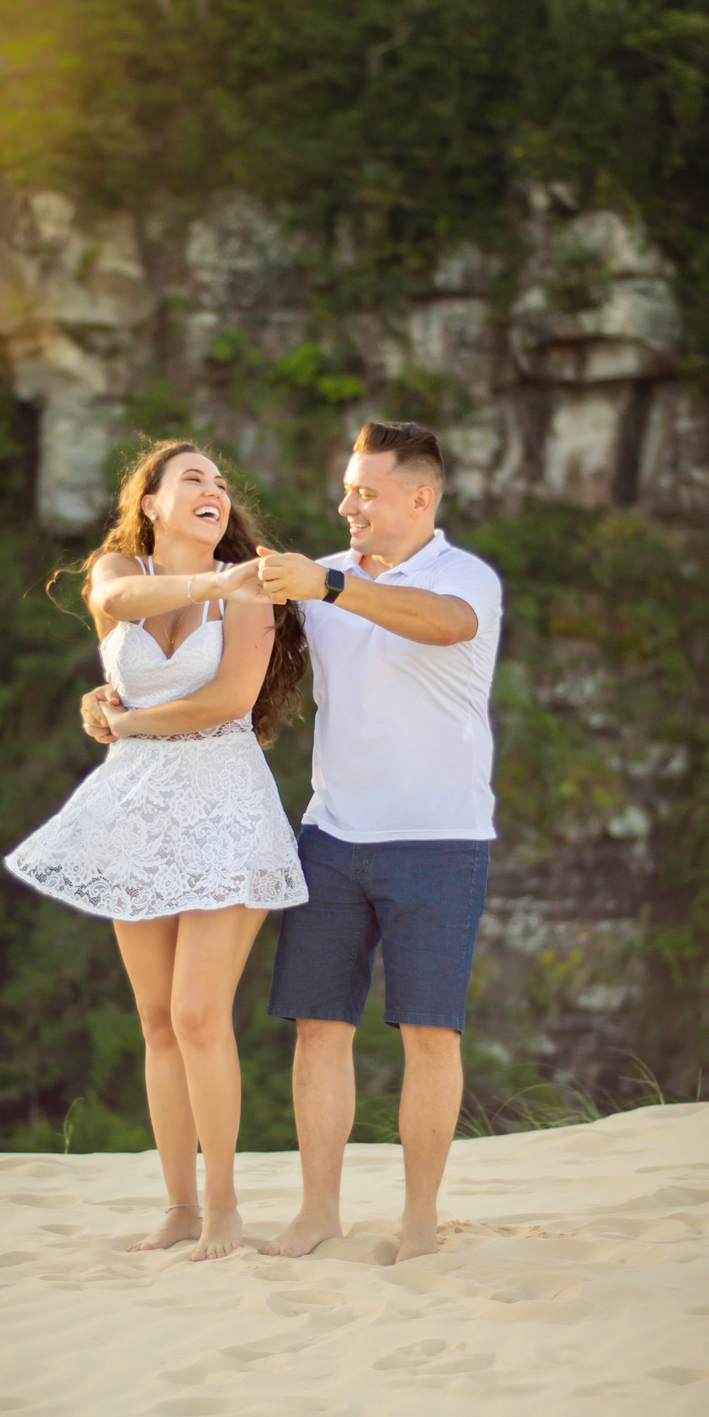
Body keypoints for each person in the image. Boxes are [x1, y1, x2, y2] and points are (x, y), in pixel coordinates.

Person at [5, 441, 307, 1262]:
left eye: (221, 482)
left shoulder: (252, 588)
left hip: (226, 806)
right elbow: (120, 599)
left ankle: (223, 1207)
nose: (215, 490)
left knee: (199, 1012)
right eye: (193, 479)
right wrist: (210, 584)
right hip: (139, 810)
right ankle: (177, 1204)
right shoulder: (117, 570)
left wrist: (126, 719)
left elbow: (228, 700)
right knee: (156, 1019)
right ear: (151, 503)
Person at [255, 420, 502, 1264]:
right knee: (317, 1026)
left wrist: (328, 584)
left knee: (430, 1034)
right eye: (346, 489)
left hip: (440, 841)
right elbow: (231, 647)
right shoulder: (323, 580)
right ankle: (318, 1211)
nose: (347, 505)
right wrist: (120, 698)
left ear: (421, 497)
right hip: (330, 834)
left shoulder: (463, 577)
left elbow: (443, 625)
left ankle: (419, 1221)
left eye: (366, 491)